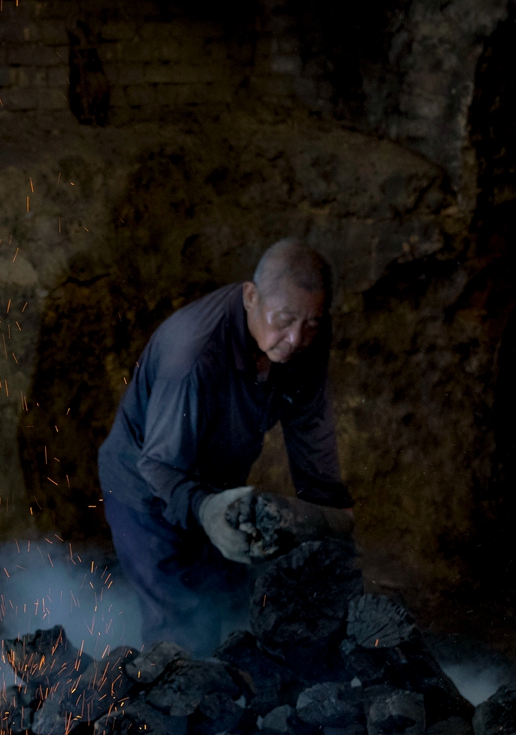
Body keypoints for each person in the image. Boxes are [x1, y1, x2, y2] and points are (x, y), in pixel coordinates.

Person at [97, 239, 354, 653]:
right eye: (284, 319)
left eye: (311, 324)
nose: (295, 338)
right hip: (146, 490)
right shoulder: (194, 356)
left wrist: (328, 519)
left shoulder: (304, 335)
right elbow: (160, 466)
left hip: (214, 486)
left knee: (234, 605)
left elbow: (310, 424)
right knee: (183, 630)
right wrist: (207, 510)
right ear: (251, 297)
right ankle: (172, 696)